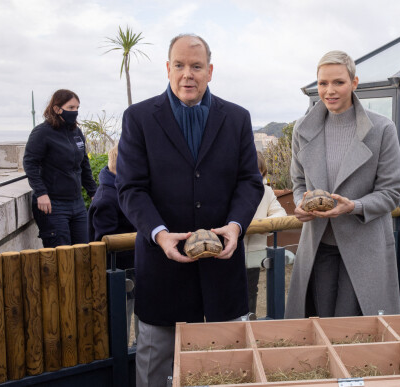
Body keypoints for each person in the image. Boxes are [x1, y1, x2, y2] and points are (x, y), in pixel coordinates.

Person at [116, 34, 264, 386]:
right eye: (179, 65)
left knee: (227, 371)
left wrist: (236, 225)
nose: (188, 74)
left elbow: (250, 181)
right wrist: (160, 234)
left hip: (222, 273)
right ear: (168, 69)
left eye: (196, 66)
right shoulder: (138, 118)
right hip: (162, 272)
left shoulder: (238, 118)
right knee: (155, 371)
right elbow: (130, 188)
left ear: (209, 71)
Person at [284, 50, 400, 319]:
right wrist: (302, 202)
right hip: (318, 247)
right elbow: (299, 181)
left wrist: (354, 206)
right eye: (323, 83)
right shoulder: (302, 129)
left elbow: (391, 193)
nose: (329, 91)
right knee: (320, 323)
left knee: (354, 329)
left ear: (354, 83)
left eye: (338, 82)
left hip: (364, 246)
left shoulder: (382, 129)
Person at [23, 89, 97, 248]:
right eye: (71, 108)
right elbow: (30, 163)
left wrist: (93, 192)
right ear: (57, 109)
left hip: (76, 204)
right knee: (61, 257)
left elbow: (84, 164)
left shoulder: (76, 132)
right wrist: (41, 193)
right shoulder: (42, 132)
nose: (75, 111)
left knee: (84, 252)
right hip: (53, 205)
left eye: (77, 108)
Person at [87, 143, 137, 342]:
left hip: (129, 268)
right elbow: (104, 242)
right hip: (119, 272)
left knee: (131, 308)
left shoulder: (114, 191)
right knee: (121, 316)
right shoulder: (107, 199)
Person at [243, 151, 287, 315]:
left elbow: (280, 213)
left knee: (251, 288)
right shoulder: (229, 189)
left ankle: (250, 320)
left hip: (255, 250)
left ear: (263, 172)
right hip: (232, 251)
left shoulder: (266, 192)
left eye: (258, 172)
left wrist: (262, 226)